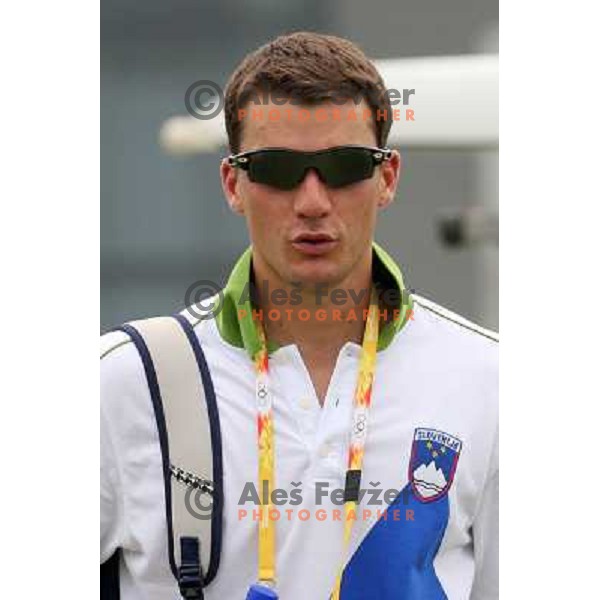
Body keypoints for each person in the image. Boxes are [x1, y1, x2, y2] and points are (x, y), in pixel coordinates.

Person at [101, 31, 498, 599]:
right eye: (277, 168)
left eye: (344, 165)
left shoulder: (491, 378)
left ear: (387, 178)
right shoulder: (122, 380)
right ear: (233, 183)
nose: (313, 200)